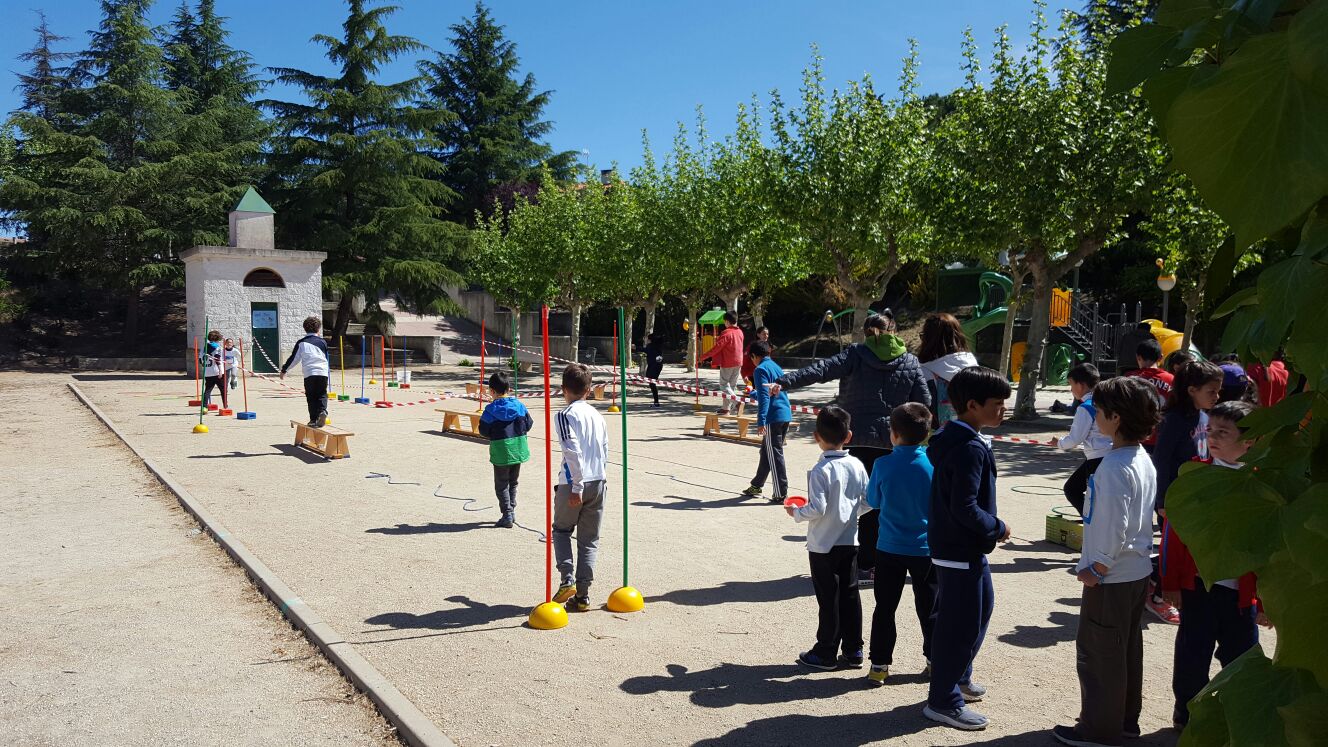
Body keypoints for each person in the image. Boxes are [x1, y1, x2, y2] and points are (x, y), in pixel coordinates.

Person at [768, 311, 931, 586]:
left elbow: (821, 370)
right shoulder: (910, 361)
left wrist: (784, 382)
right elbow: (923, 403)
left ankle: (861, 564)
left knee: (858, 501)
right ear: (894, 331)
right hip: (892, 441)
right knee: (883, 503)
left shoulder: (855, 354)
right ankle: (881, 562)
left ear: (866, 333)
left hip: (856, 439)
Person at [1051, 377, 1159, 747]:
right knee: (1125, 649)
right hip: (1135, 571)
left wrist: (1097, 566)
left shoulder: (1113, 467)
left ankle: (1098, 729)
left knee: (1100, 653)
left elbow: (1115, 524)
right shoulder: (1140, 458)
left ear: (1115, 417)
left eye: (1098, 411)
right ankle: (1125, 720)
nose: (1095, 417)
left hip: (1112, 575)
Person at [1160, 400, 1267, 733]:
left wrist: (1266, 602)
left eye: (1224, 432)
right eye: (1211, 430)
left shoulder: (1263, 483)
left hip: (1242, 596)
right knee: (1192, 657)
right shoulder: (1195, 473)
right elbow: (1174, 534)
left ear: (1250, 441)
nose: (1213, 437)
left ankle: (1235, 717)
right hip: (1198, 588)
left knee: (1242, 659)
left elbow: (1270, 549)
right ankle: (1186, 714)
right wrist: (1170, 582)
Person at [924, 366, 1011, 731]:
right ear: (972, 405)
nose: (1003, 410)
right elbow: (965, 507)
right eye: (997, 403)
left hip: (961, 548)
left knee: (980, 610)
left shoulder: (956, 437)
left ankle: (958, 677)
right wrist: (997, 527)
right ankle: (943, 701)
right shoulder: (968, 448)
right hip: (958, 548)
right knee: (958, 627)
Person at [786, 405, 871, 671]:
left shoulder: (821, 469)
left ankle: (825, 651)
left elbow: (817, 508)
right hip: (850, 540)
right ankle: (854, 649)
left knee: (828, 599)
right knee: (850, 595)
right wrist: (850, 513)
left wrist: (796, 512)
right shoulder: (857, 464)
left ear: (816, 437)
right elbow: (869, 500)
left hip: (823, 544)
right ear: (849, 436)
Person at [864, 403, 936, 685]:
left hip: (889, 547)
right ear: (926, 434)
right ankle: (934, 661)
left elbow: (874, 501)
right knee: (929, 607)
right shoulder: (933, 465)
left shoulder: (882, 464)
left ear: (892, 433)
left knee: (884, 607)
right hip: (925, 549)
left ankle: (879, 665)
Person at [1147, 359, 1223, 626]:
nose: (1217, 396)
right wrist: (1162, 500)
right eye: (1211, 391)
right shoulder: (1174, 420)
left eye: (1218, 391)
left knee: (1188, 549)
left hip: (1197, 497)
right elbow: (1161, 460)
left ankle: (1150, 579)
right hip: (1175, 499)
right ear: (1192, 390)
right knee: (1173, 550)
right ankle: (1157, 597)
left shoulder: (1204, 416)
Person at [551, 363, 609, 613]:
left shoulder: (565, 415)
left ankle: (567, 579)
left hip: (575, 482)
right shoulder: (598, 415)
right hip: (599, 481)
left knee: (561, 530)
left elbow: (571, 450)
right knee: (589, 539)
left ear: (564, 389)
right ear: (589, 389)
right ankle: (583, 595)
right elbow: (604, 449)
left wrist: (577, 486)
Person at [1051, 364, 1111, 516]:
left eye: (1071, 384)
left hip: (1097, 458)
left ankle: (1093, 522)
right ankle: (1092, 519)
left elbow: (1075, 438)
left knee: (1074, 490)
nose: (1071, 389)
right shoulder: (1106, 402)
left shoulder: (1085, 408)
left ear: (1081, 385)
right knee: (1074, 488)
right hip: (1108, 454)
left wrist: (1059, 443)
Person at [477, 371, 533, 529]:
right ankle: (511, 510)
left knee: (501, 484)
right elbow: (529, 424)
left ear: (491, 391)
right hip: (518, 449)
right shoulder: (519, 406)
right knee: (513, 482)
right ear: (509, 389)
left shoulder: (490, 410)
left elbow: (483, 430)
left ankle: (507, 513)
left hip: (501, 451)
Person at [741, 341, 792, 504]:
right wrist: (752, 393)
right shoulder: (776, 367)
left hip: (773, 417)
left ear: (754, 356)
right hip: (784, 414)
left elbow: (764, 398)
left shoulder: (760, 369)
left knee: (774, 454)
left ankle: (780, 493)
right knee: (766, 452)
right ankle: (756, 485)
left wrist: (761, 420)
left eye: (751, 359)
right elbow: (770, 392)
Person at [918, 313, 979, 428]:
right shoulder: (972, 365)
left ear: (928, 339)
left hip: (937, 433)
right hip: (969, 430)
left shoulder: (924, 370)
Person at [280, 316, 330, 427]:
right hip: (322, 372)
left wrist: (284, 370)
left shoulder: (301, 343)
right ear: (318, 329)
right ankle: (322, 411)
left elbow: (294, 359)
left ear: (304, 329)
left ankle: (313, 420)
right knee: (322, 394)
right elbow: (326, 358)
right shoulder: (323, 342)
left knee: (311, 396)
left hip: (310, 373)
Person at [1127, 339, 1174, 451]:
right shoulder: (1171, 380)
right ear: (1161, 357)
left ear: (1138, 357)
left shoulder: (1129, 379)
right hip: (1162, 437)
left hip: (1134, 437)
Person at [698, 311, 745, 415]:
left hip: (728, 362)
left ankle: (737, 403)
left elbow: (717, 348)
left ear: (727, 321)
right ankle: (725, 408)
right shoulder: (740, 332)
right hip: (738, 362)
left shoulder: (726, 333)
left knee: (724, 385)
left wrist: (703, 357)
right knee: (731, 387)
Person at [201, 330, 228, 410]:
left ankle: (204, 407)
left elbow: (200, 361)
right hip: (217, 372)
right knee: (223, 390)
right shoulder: (218, 347)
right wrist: (220, 371)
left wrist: (205, 366)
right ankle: (225, 406)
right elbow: (217, 359)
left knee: (207, 390)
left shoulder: (204, 348)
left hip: (207, 372)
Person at [643, 333, 666, 407]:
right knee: (651, 382)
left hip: (654, 366)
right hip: (657, 366)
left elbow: (645, 350)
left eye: (647, 339)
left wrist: (635, 347)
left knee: (652, 383)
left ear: (650, 340)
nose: (646, 340)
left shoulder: (651, 346)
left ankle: (656, 402)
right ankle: (656, 401)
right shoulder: (658, 346)